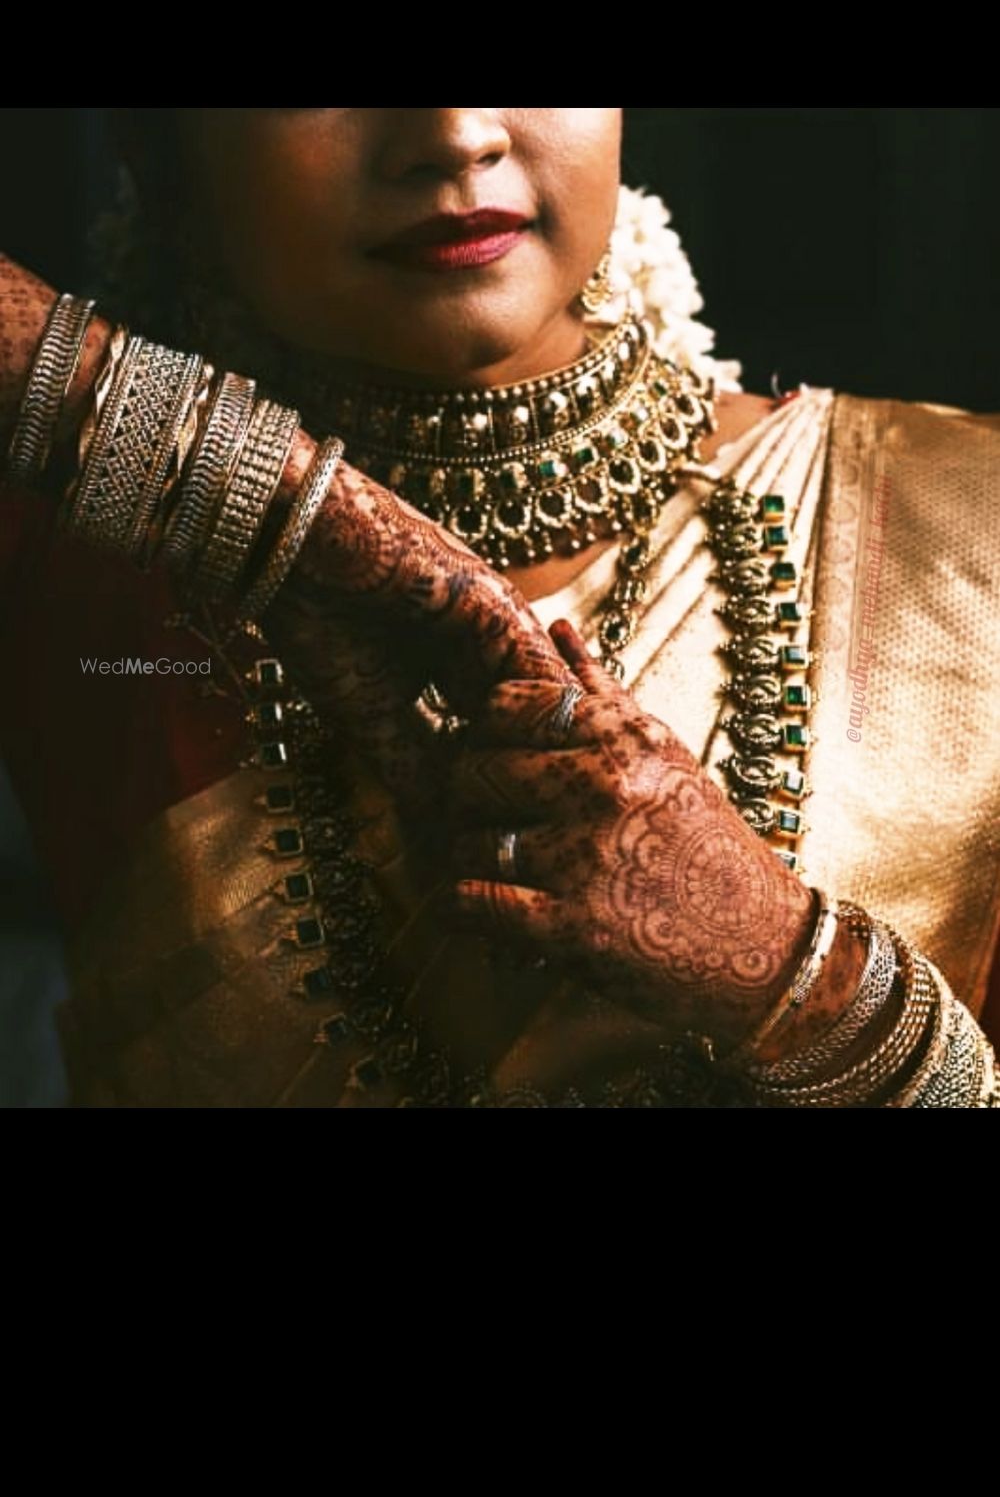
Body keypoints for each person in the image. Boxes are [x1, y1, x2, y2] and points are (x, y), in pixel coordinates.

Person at [0, 106, 997, 1108]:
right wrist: (270, 504)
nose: (456, 134)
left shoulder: (965, 519)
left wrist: (800, 980)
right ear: (154, 148)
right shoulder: (79, 581)